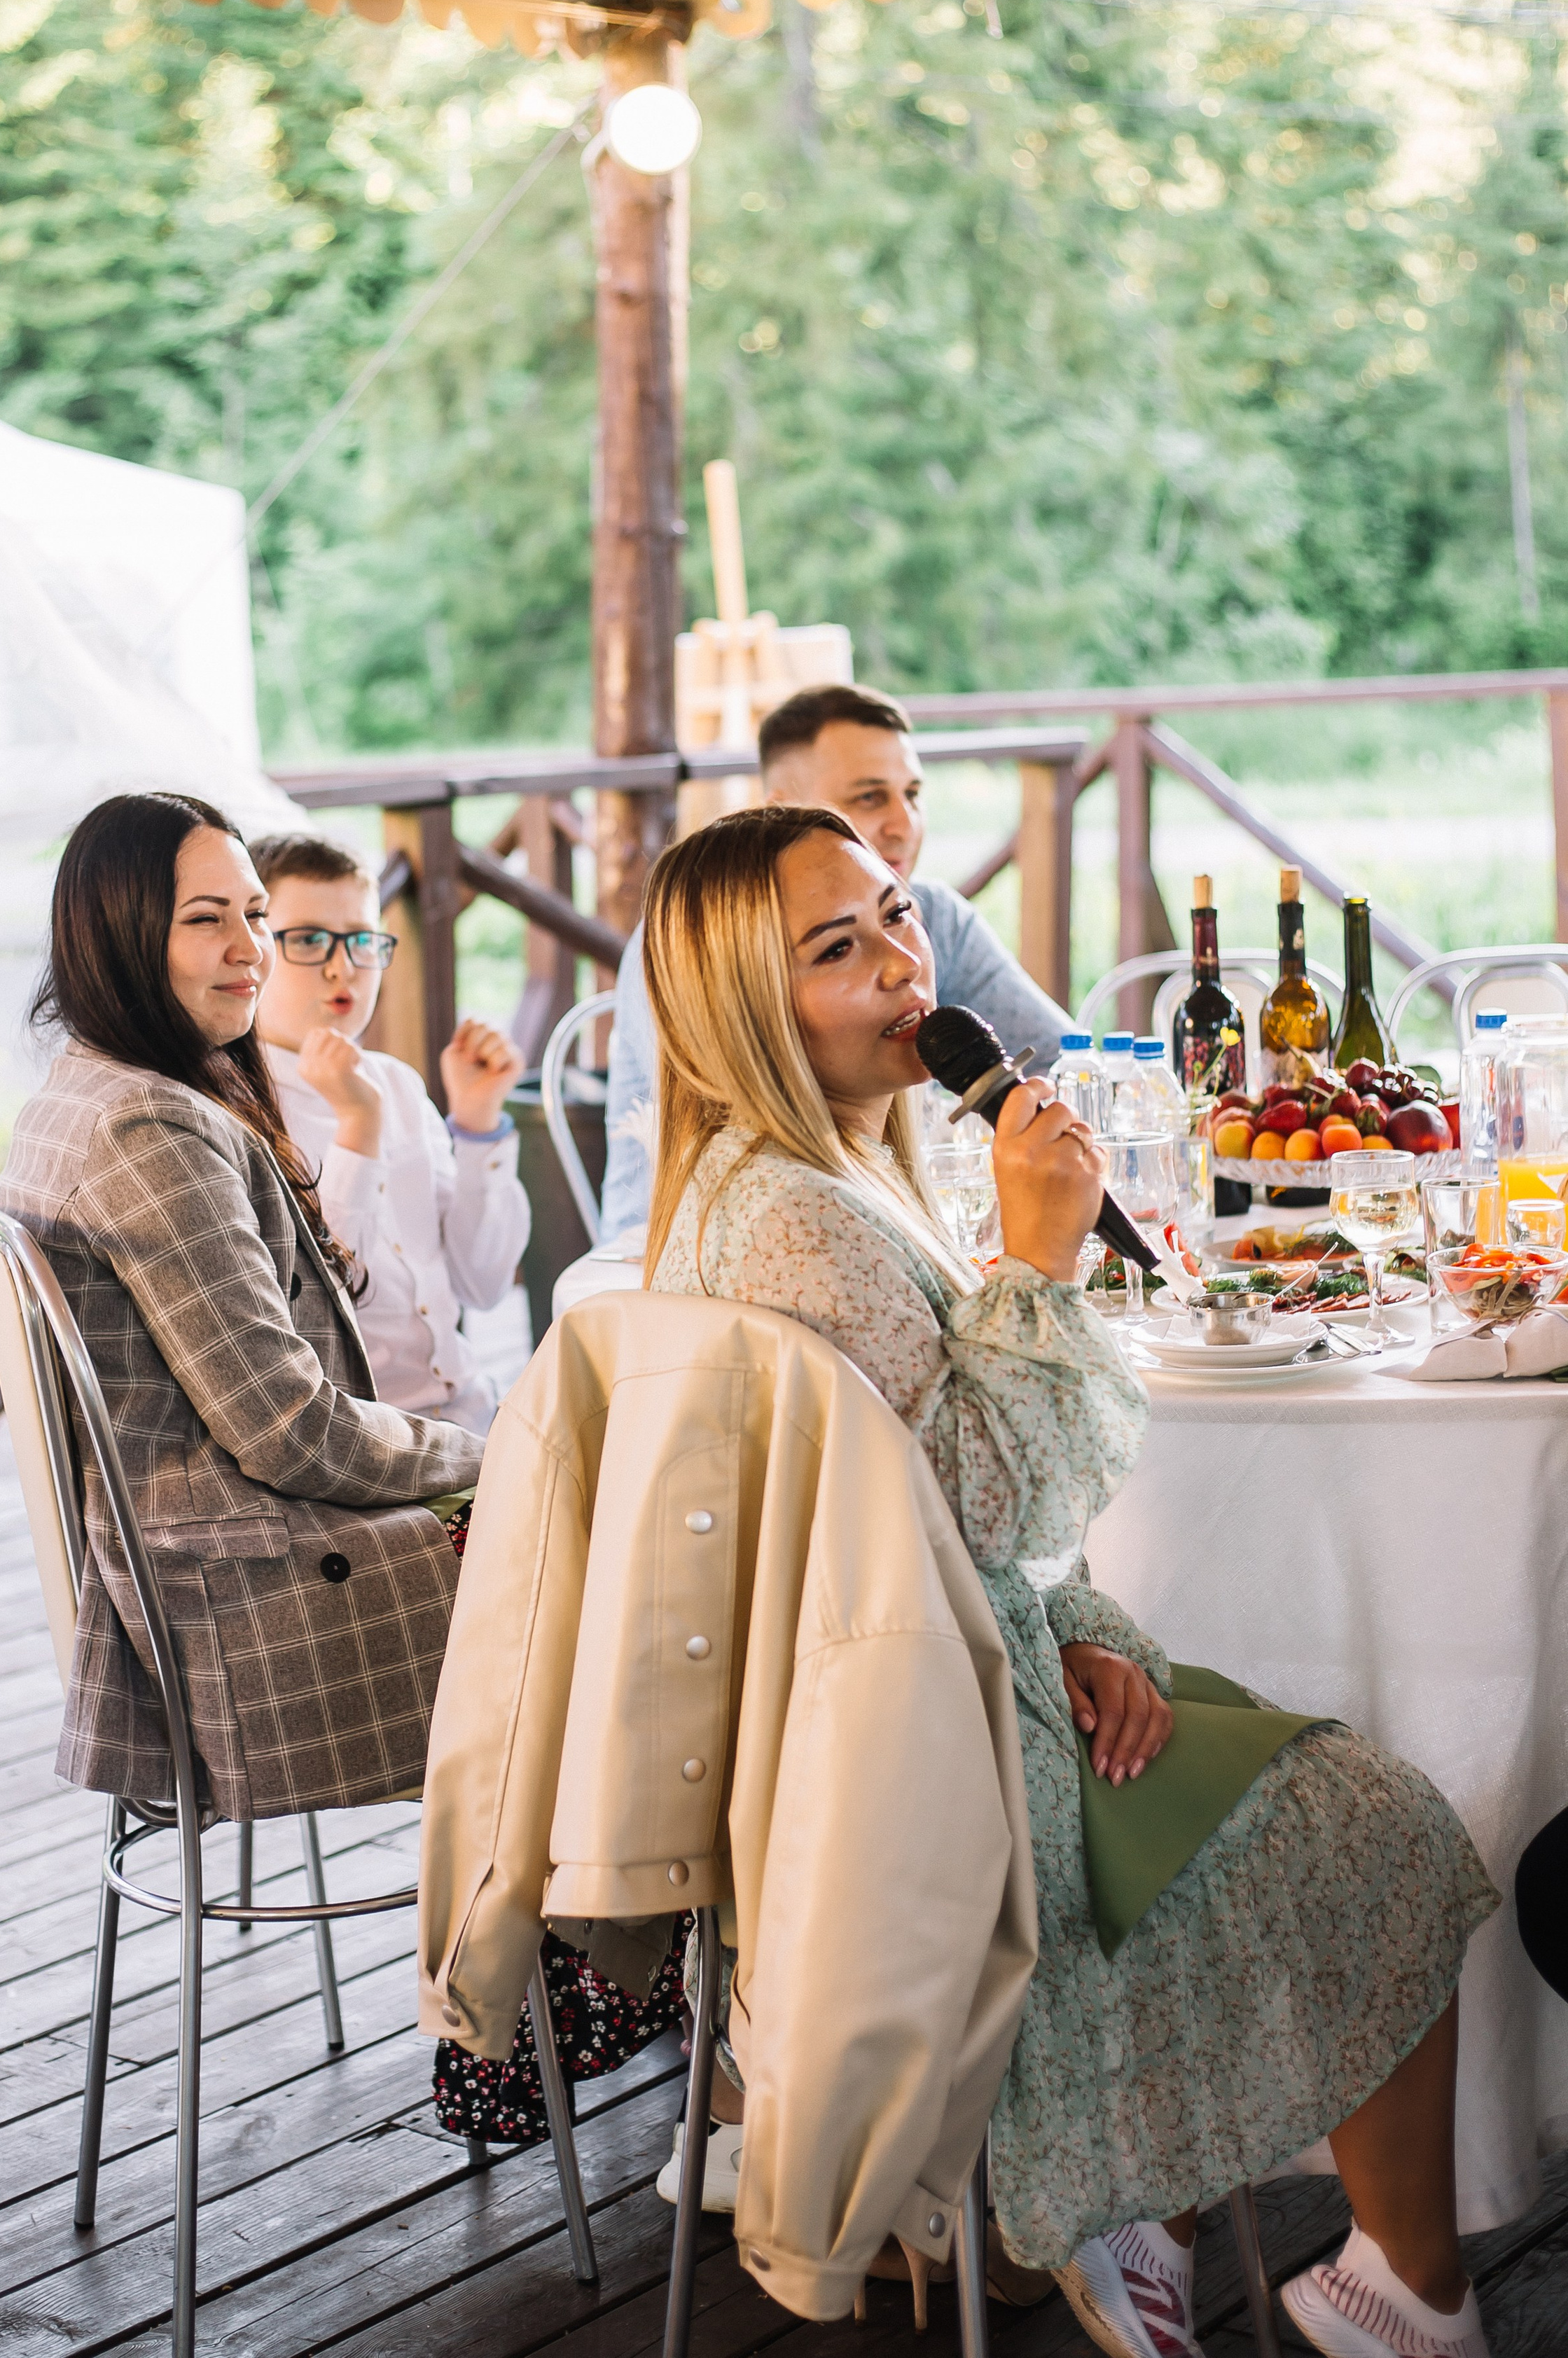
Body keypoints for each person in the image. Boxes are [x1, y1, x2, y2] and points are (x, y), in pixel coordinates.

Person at [639, 804, 1498, 2358]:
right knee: (1380, 1825)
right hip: (928, 1754)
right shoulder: (794, 1232)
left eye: (897, 916)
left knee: (1253, 1737)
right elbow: (974, 1500)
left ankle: (1180, 2221)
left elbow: (946, 1525)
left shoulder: (813, 1175)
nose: (904, 964)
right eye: (837, 950)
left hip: (951, 1671)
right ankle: (1389, 2287)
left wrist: (1077, 1630)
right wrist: (1032, 1263)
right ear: (741, 1009)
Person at [0, 791, 483, 1822]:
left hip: (195, 1587)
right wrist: (499, 1454)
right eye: (206, 919)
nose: (251, 948)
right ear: (123, 935)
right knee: (615, 1562)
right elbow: (292, 1433)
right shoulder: (149, 1126)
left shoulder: (87, 1087)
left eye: (256, 915)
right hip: (251, 1633)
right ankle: (567, 1974)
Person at [599, 680, 1071, 1240]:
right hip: (685, 1252)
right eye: (869, 798)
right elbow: (745, 1132)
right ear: (780, 815)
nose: (905, 823)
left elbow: (1067, 1061)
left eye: (912, 794)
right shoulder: (697, 941)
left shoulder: (933, 915)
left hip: (889, 1216)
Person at [249, 831, 529, 1431]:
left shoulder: (397, 1084)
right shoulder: (239, 1113)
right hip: (370, 1452)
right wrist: (358, 1128)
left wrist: (478, 1127)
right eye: (308, 939)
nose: (343, 967)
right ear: (252, 948)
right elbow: (320, 1315)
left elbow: (484, 1285)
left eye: (362, 940)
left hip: (473, 1419)